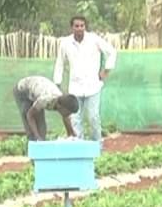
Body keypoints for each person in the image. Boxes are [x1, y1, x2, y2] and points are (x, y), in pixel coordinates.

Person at [54, 15, 117, 148]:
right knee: (76, 120)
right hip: (75, 88)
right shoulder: (65, 43)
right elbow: (60, 63)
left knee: (93, 117)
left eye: (82, 26)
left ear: (85, 27)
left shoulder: (93, 39)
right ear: (72, 27)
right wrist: (58, 83)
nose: (79, 28)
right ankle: (80, 148)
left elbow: (111, 52)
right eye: (76, 26)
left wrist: (106, 71)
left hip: (93, 86)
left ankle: (98, 147)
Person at [13, 75, 80, 141]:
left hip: (38, 91)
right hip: (23, 91)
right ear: (60, 107)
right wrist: (37, 137)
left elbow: (66, 118)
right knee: (32, 133)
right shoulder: (46, 99)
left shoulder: (63, 103)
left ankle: (40, 145)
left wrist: (72, 135)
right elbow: (30, 115)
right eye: (68, 113)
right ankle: (32, 147)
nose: (68, 115)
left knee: (42, 130)